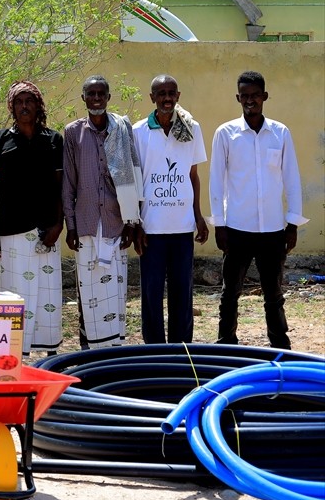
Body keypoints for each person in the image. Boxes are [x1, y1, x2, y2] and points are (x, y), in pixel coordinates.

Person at [210, 71, 307, 350]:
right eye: (245, 96)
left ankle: (280, 347)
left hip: (273, 230)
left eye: (255, 95)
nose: (250, 101)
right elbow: (216, 181)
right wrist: (219, 225)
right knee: (230, 293)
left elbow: (292, 179)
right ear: (238, 98)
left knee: (274, 294)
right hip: (236, 228)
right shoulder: (226, 133)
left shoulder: (280, 133)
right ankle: (226, 345)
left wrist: (292, 224)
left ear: (264, 96)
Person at [62, 76, 142, 349]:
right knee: (87, 290)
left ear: (108, 97)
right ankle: (88, 349)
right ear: (83, 97)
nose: (96, 98)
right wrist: (71, 226)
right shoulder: (73, 132)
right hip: (85, 222)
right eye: (91, 93)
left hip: (115, 222)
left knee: (115, 290)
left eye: (101, 94)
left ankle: (114, 349)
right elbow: (69, 182)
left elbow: (134, 174)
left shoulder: (121, 129)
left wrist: (131, 222)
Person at [0, 82, 65, 356]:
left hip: (47, 229)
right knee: (13, 293)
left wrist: (59, 224)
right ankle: (11, 354)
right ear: (12, 107)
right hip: (11, 228)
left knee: (47, 293)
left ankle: (50, 352)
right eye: (18, 101)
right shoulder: (0, 140)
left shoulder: (53, 139)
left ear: (38, 104)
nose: (24, 106)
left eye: (29, 100)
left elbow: (61, 187)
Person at [132, 75, 209, 344]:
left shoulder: (191, 128)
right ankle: (154, 350)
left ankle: (181, 348)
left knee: (182, 292)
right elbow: (135, 180)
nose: (167, 98)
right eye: (161, 93)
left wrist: (198, 216)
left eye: (171, 93)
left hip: (182, 226)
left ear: (178, 96)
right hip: (151, 227)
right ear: (152, 97)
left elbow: (193, 175)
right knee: (151, 293)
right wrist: (135, 223)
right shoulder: (139, 131)